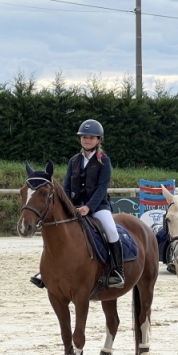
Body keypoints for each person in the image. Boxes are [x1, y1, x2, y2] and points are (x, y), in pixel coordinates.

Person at [63, 119, 125, 287]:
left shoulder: (104, 161)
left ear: (99, 140)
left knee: (111, 230)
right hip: (74, 206)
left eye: (91, 137)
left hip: (98, 206)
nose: (87, 140)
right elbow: (66, 186)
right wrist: (68, 205)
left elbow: (101, 188)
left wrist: (88, 207)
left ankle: (117, 270)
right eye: (84, 137)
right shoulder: (73, 161)